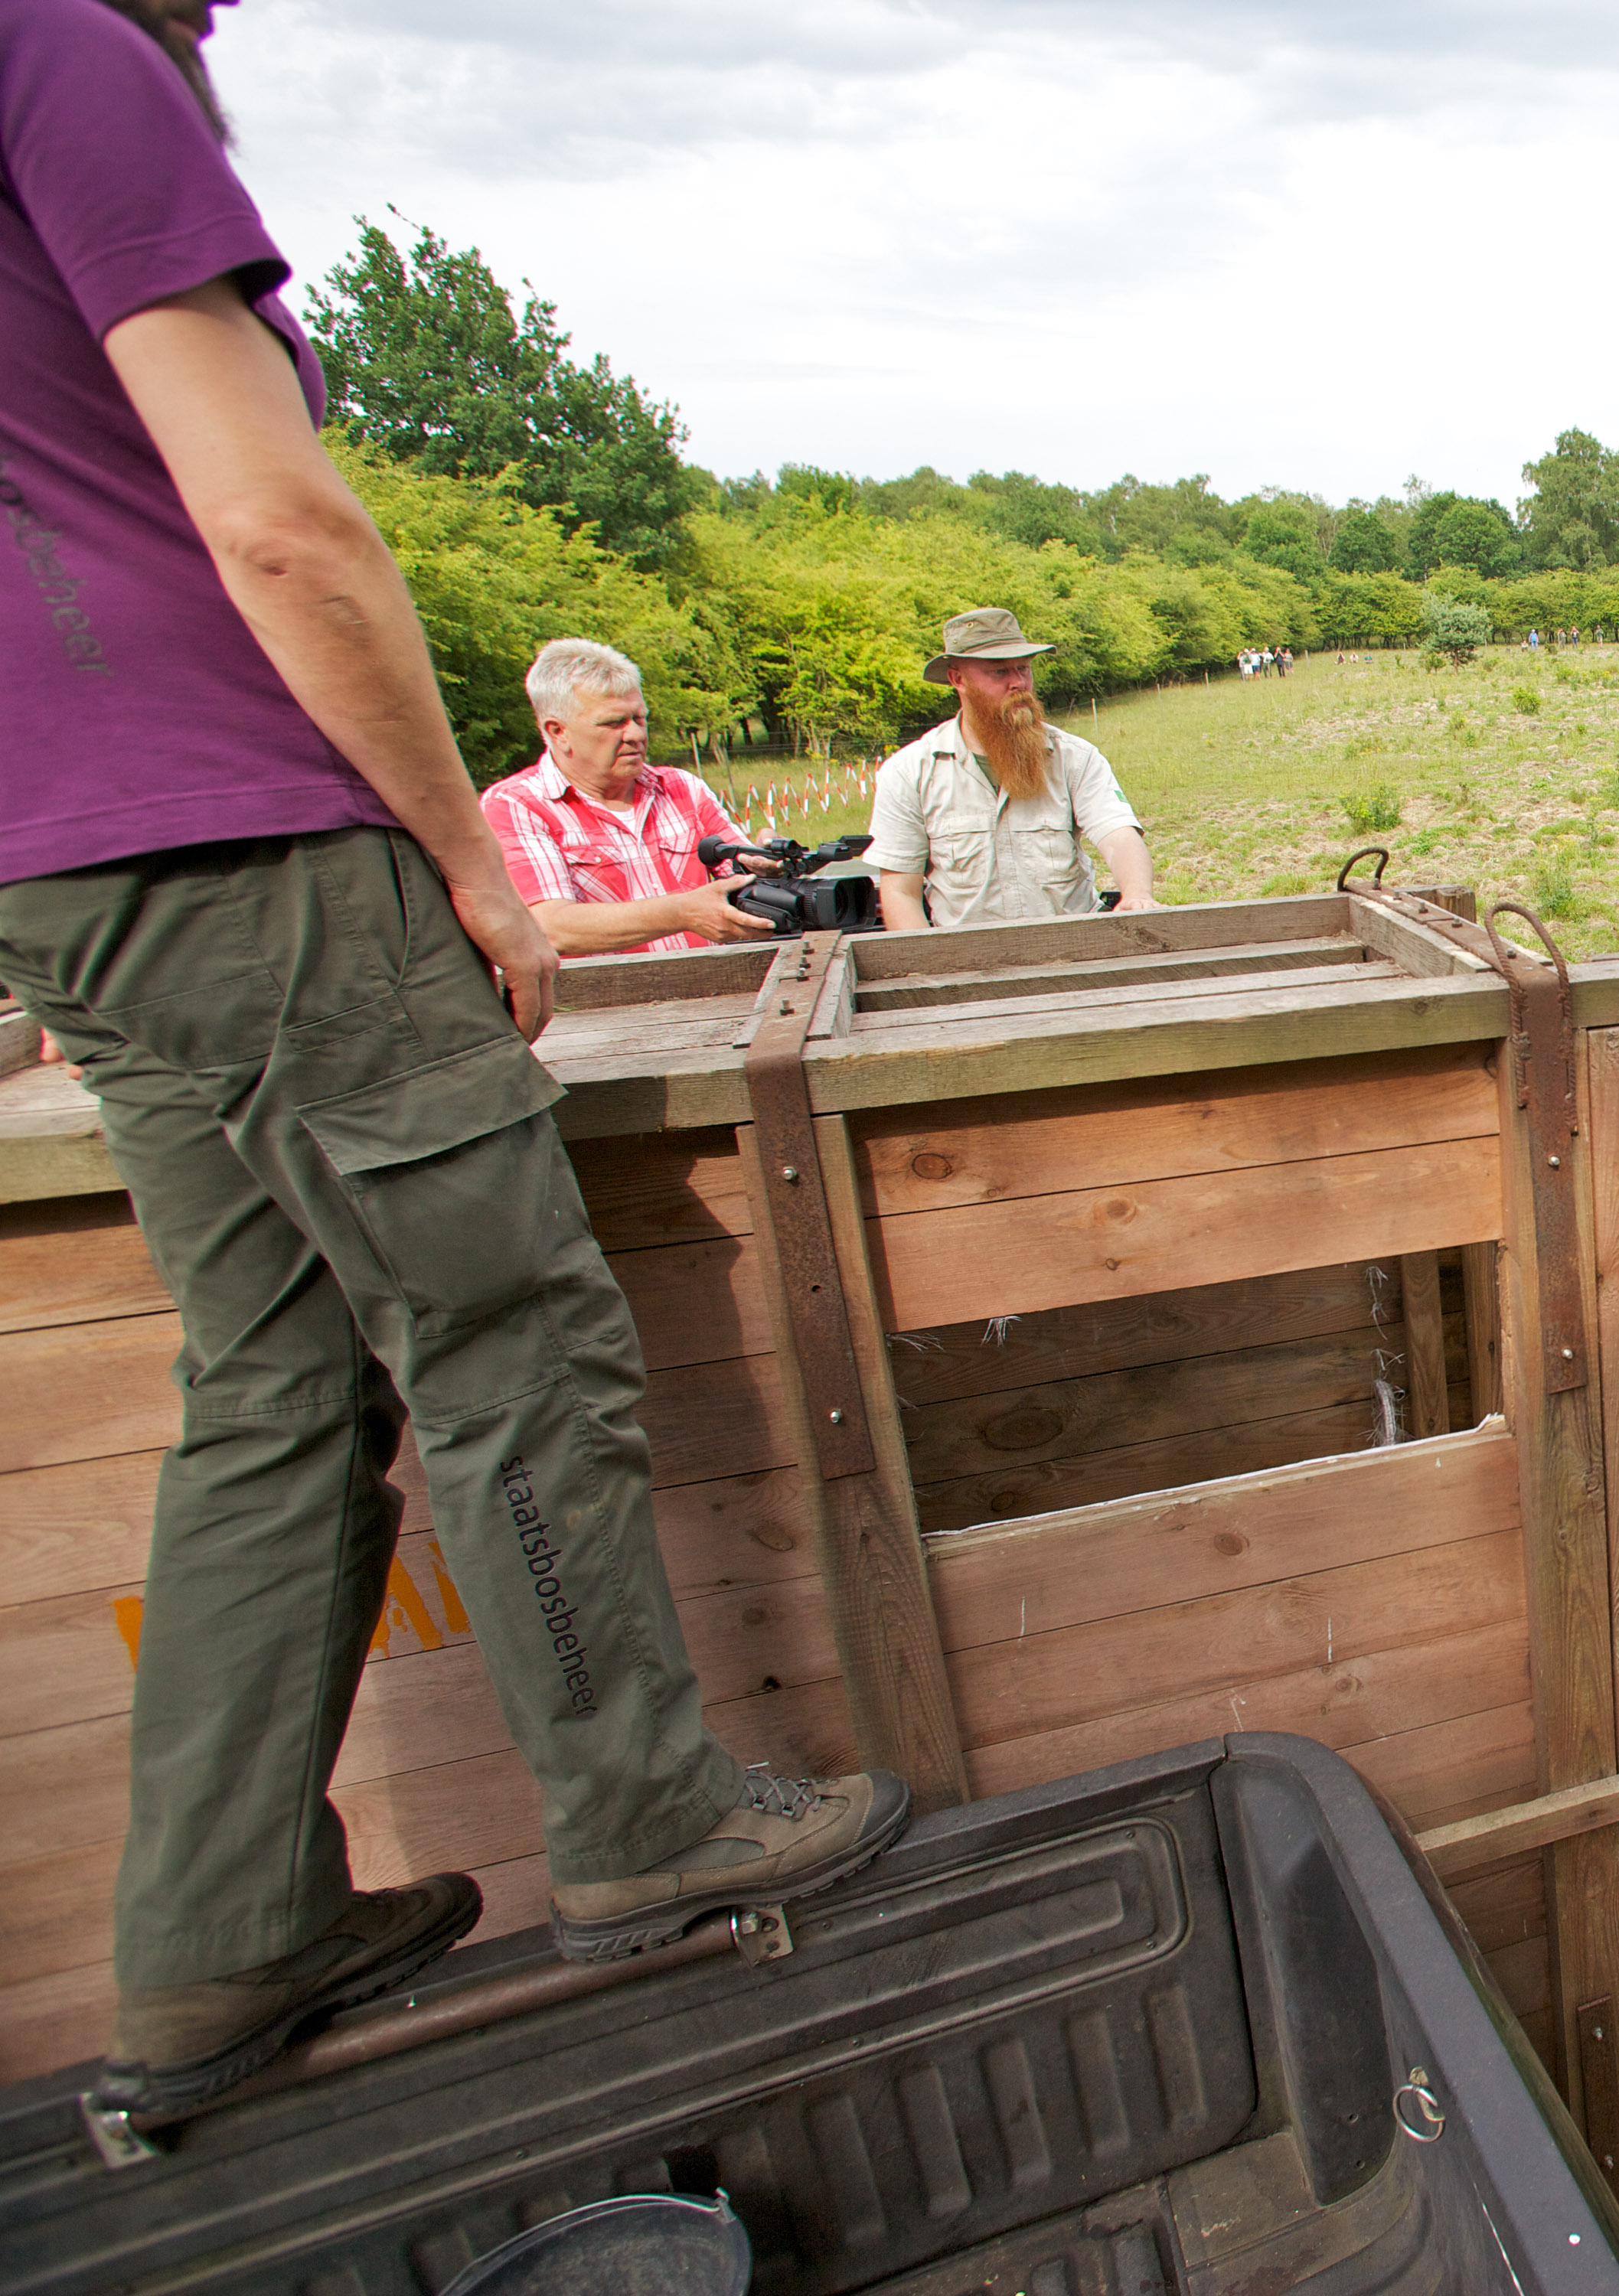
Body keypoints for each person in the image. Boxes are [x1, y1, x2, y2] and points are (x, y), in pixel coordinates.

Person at [0, 0, 907, 2118]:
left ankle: (218, 1934)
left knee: (270, 1390)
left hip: (74, 879)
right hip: (259, 850)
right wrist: (463, 867)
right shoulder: (66, 49)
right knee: (509, 1335)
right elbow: (282, 529)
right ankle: (638, 1810)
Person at [481, 639, 775, 957]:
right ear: (557, 732)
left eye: (639, 718)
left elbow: (738, 881)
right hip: (610, 1004)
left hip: (721, 992)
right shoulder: (515, 805)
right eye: (613, 723)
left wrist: (770, 865)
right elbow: (552, 927)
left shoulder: (680, 787)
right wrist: (682, 913)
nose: (635, 735)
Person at [867, 607, 1154, 928]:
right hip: (968, 962)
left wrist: (1137, 893)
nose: (1019, 683)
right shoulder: (910, 773)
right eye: (999, 672)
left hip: (1074, 953)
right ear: (957, 679)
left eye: (1024, 668)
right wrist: (931, 969)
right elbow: (900, 892)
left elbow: (1118, 833)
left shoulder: (1074, 757)